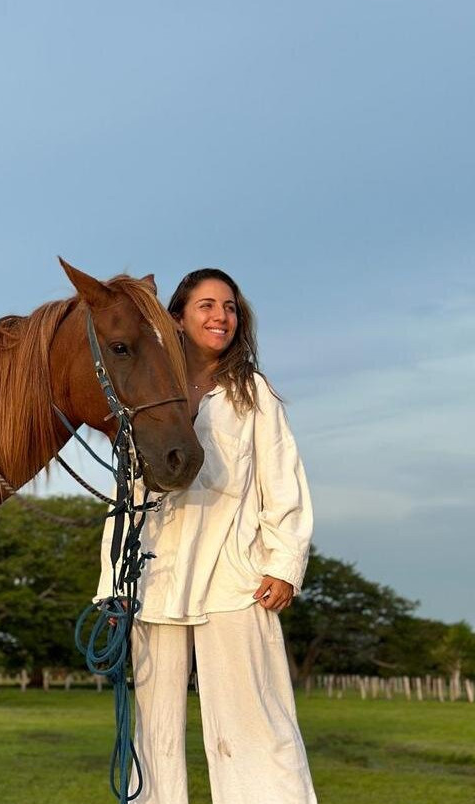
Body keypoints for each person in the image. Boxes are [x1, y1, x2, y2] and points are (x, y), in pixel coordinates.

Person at [95, 268, 317, 804]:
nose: (221, 316)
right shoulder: (146, 396)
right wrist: (112, 583)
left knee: (256, 725)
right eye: (207, 305)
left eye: (230, 307)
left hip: (235, 578)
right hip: (154, 578)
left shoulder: (252, 394)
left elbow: (283, 481)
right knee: (153, 736)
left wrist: (284, 564)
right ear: (176, 317)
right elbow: (123, 498)